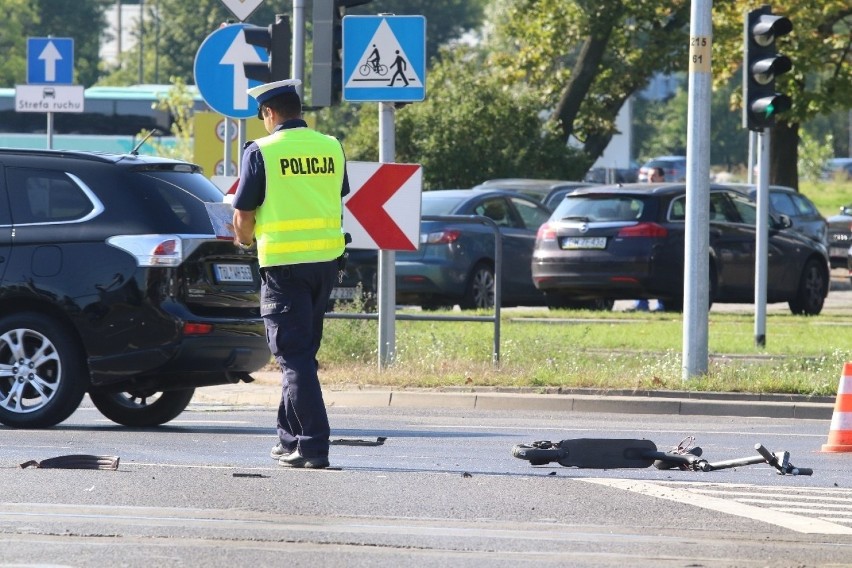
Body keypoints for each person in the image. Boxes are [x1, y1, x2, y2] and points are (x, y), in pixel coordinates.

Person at [231, 79, 349, 469]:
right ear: (298, 110)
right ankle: (289, 438)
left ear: (269, 112)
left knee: (293, 357)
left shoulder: (260, 151)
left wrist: (243, 238)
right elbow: (332, 195)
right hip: (326, 264)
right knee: (301, 354)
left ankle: (313, 445)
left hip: (284, 266)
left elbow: (244, 215)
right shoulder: (331, 146)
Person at [634, 167, 666, 312]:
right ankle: (641, 303)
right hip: (643, 238)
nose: (650, 178)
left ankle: (662, 304)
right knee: (640, 272)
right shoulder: (644, 194)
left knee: (662, 272)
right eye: (649, 176)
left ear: (662, 178)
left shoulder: (666, 194)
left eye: (653, 176)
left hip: (662, 240)